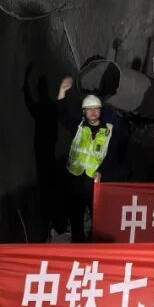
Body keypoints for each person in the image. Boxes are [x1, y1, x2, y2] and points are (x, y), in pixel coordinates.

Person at [57, 80, 127, 242]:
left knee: (98, 219)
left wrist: (101, 171)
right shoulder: (79, 126)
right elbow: (62, 114)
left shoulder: (108, 131)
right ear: (84, 112)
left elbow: (112, 156)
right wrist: (62, 91)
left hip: (94, 182)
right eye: (89, 109)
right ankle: (77, 246)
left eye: (96, 109)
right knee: (76, 219)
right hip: (75, 179)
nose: (93, 112)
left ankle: (96, 248)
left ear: (100, 111)